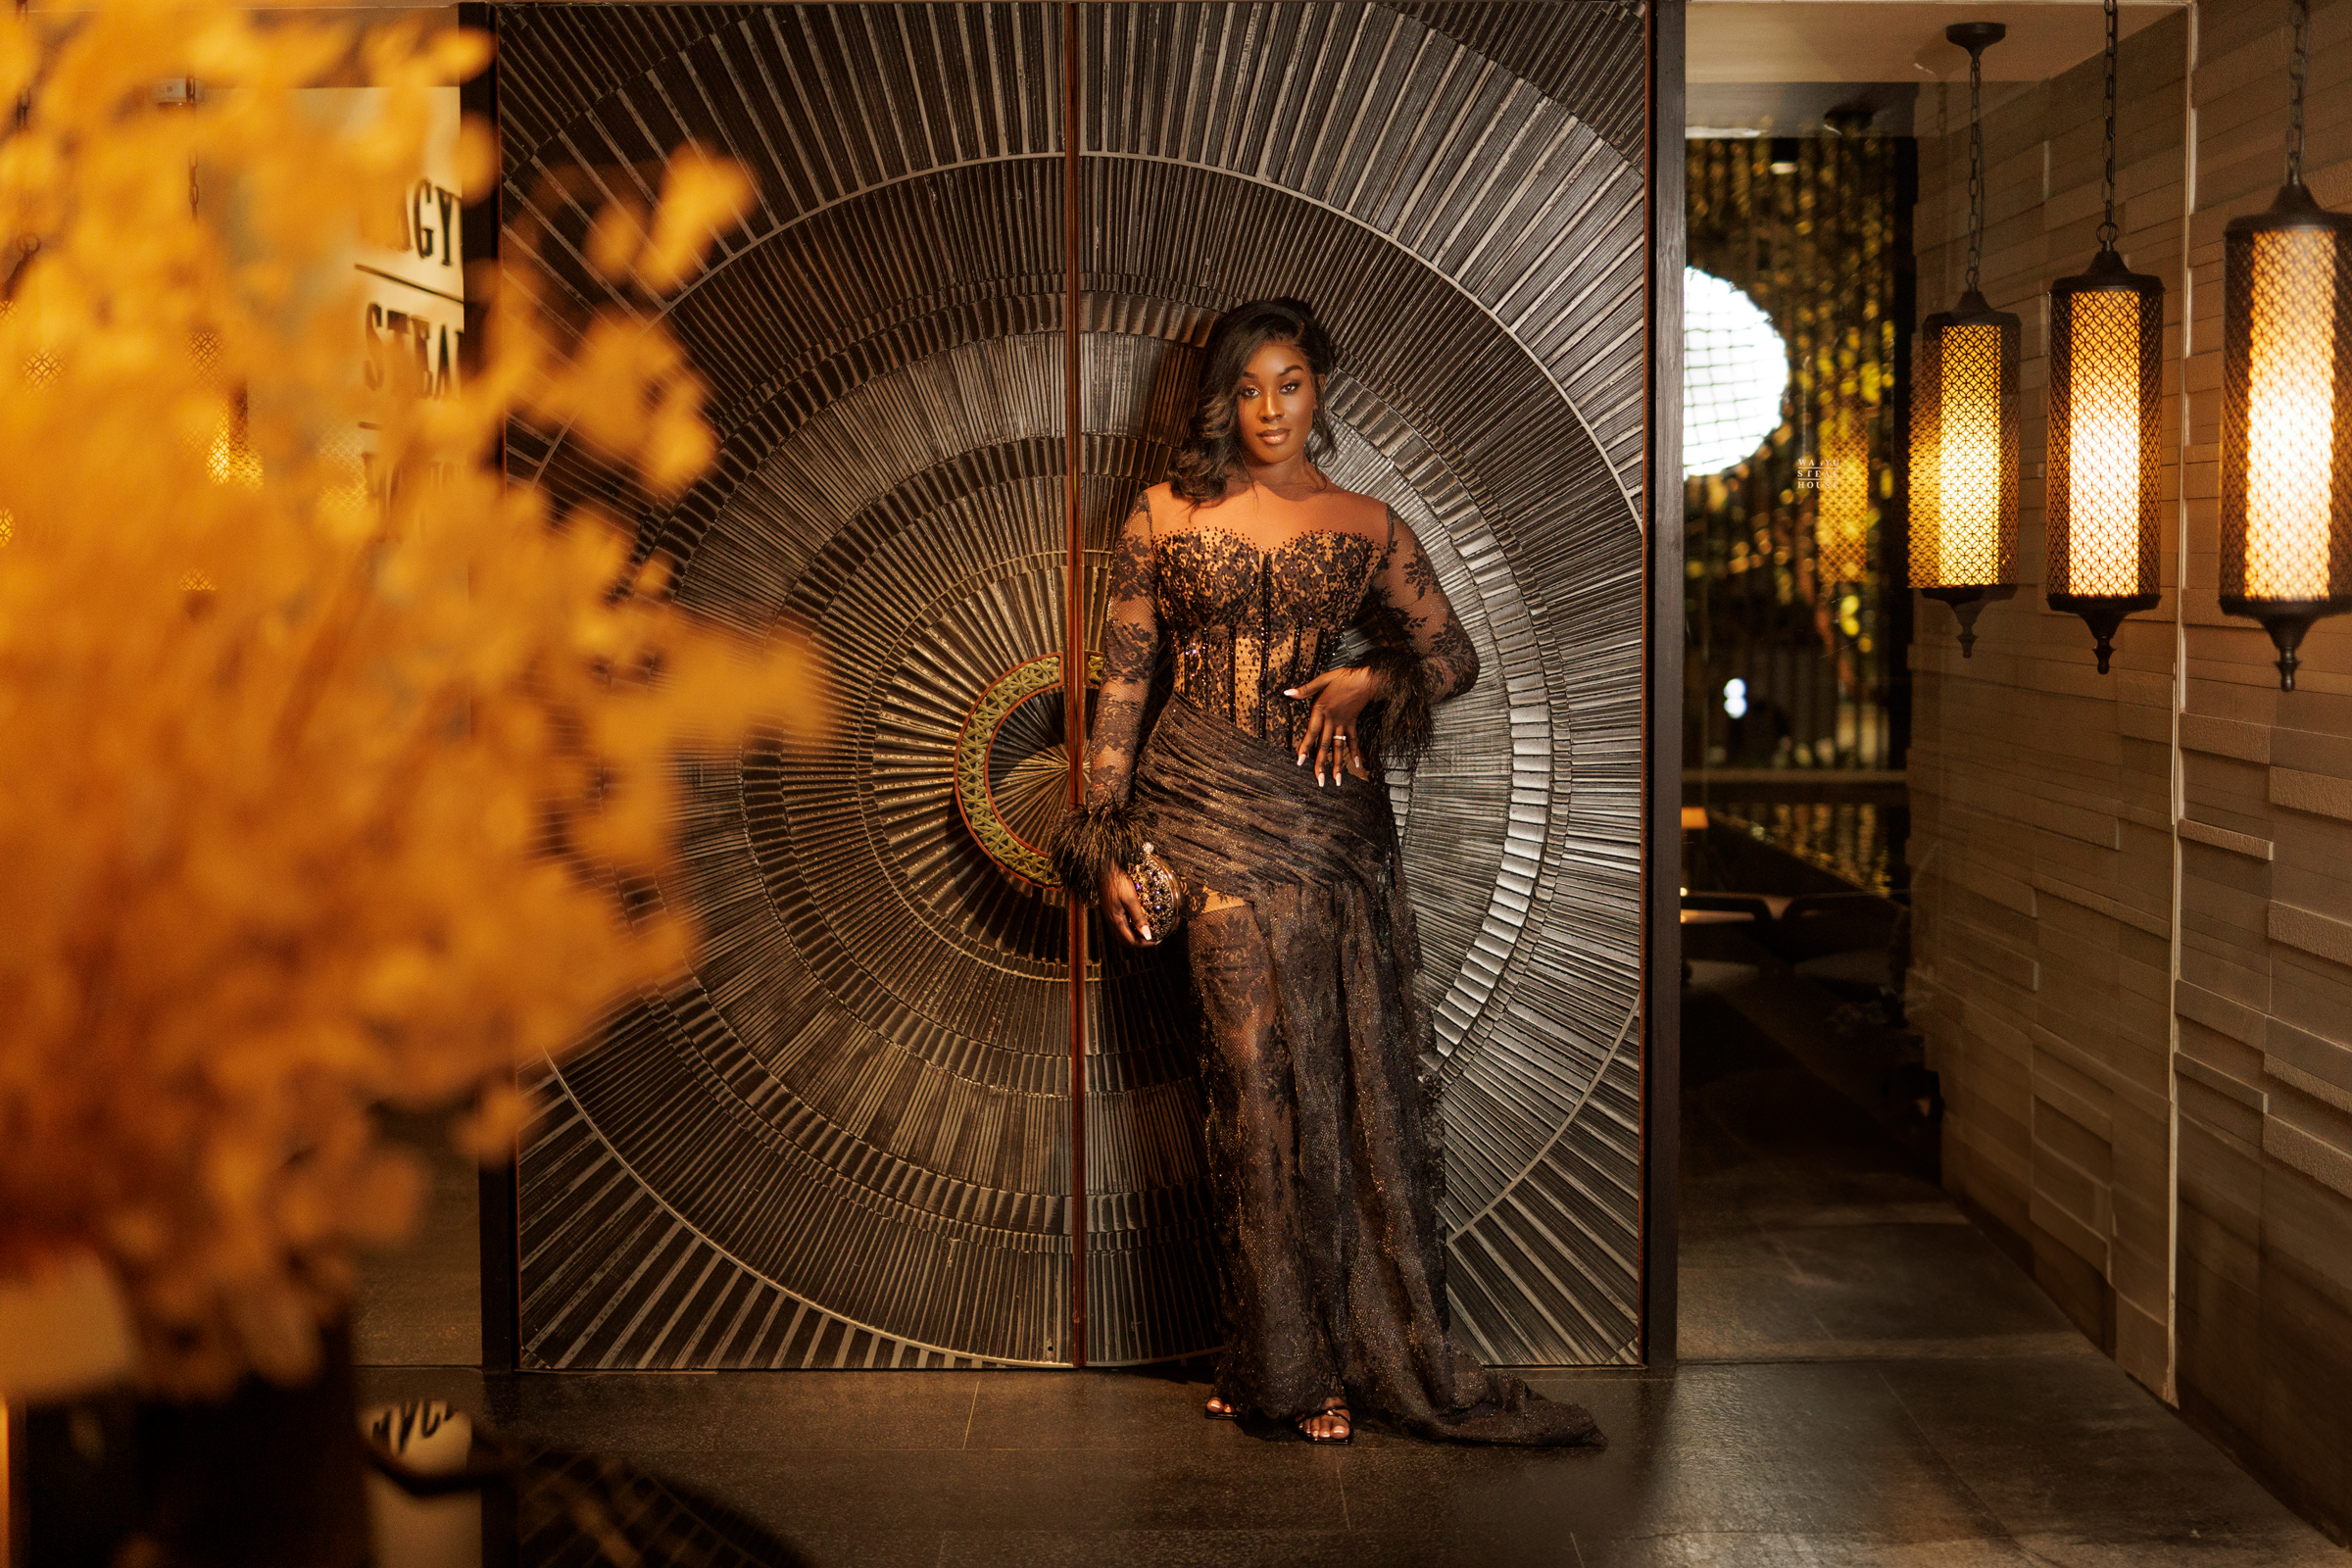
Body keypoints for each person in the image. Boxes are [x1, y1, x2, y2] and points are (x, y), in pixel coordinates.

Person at [1050, 298, 1604, 1448]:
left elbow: (1452, 656)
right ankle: (1281, 1364)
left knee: (1336, 1082)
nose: (1268, 409)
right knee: (1252, 1076)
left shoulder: (1368, 523)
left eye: (1290, 383)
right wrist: (1104, 837)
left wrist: (1368, 683)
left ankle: (1319, 1357)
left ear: (1320, 390)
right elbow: (1122, 680)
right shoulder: (1161, 513)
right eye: (1248, 388)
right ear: (1221, 398)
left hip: (1329, 822)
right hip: (1198, 804)